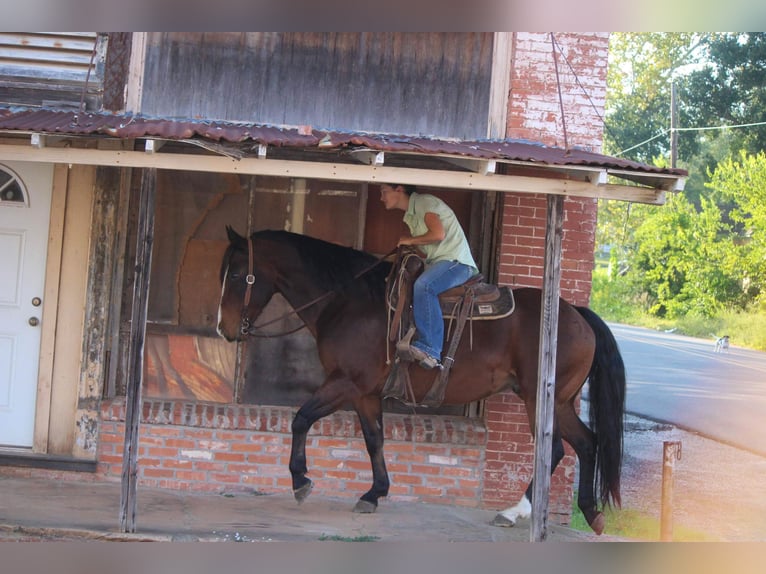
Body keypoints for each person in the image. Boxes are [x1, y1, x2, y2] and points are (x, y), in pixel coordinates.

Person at [380, 183, 478, 369]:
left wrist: (410, 240)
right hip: (441, 262)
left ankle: (431, 349)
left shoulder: (424, 202)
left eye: (384, 192)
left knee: (424, 286)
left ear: (399, 189)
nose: (381, 197)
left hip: (457, 263)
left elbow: (438, 234)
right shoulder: (410, 216)